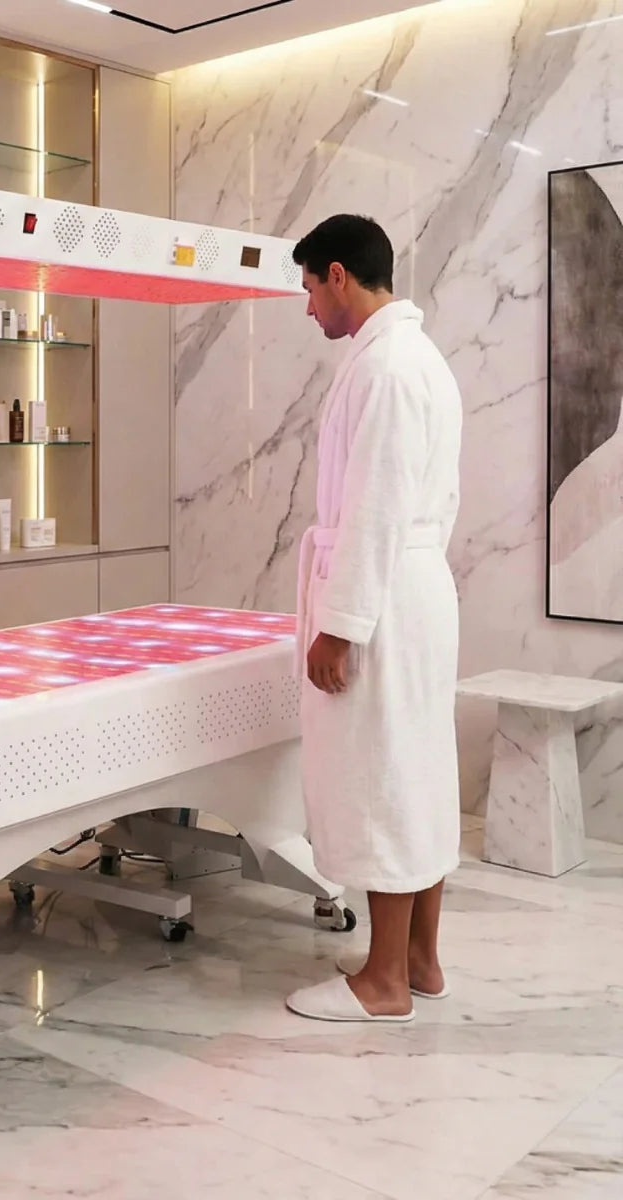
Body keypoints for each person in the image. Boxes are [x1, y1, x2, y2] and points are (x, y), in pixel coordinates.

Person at [283, 215, 463, 1024]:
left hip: (383, 594)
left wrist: (340, 625)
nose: (308, 307)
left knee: (385, 778)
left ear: (339, 275)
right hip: (415, 587)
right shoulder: (418, 357)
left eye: (309, 288)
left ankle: (384, 982)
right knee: (417, 772)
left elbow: (375, 508)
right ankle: (419, 959)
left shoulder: (387, 367)